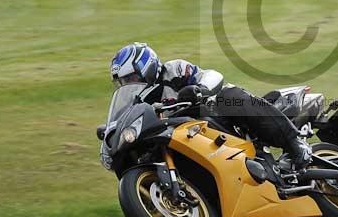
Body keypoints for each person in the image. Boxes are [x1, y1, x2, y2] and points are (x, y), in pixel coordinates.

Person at [109, 42, 312, 169]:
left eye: (133, 77)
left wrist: (200, 89)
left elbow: (212, 76)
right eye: (125, 83)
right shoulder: (139, 102)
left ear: (148, 67)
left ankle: (295, 143)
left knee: (229, 96)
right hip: (186, 138)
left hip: (214, 115)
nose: (130, 85)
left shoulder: (173, 70)